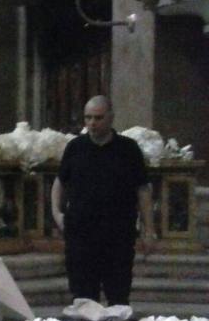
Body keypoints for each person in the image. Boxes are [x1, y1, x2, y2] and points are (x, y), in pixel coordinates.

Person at [51, 95, 155, 306]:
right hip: (81, 234)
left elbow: (142, 190)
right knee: (82, 298)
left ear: (111, 118)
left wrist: (148, 229)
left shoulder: (128, 149)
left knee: (118, 297)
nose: (92, 123)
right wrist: (56, 213)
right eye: (88, 118)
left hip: (117, 235)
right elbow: (59, 182)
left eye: (97, 118)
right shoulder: (76, 147)